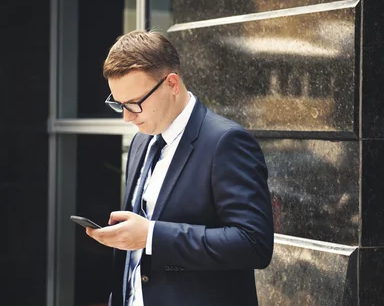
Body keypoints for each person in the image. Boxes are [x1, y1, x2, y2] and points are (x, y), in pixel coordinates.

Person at [86, 30, 274, 306]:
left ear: (172, 84)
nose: (127, 117)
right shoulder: (142, 141)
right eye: (119, 104)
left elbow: (253, 243)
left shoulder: (226, 142)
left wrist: (151, 236)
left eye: (134, 104)